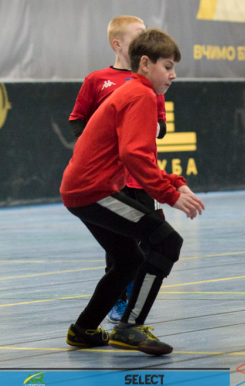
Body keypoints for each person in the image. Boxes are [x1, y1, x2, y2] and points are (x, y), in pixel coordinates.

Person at [60, 28, 205, 356]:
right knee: (167, 241)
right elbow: (134, 155)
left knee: (129, 260)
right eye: (168, 66)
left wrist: (174, 181)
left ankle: (83, 329)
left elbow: (138, 154)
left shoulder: (135, 92)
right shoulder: (141, 95)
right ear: (145, 63)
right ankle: (129, 328)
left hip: (83, 189)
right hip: (93, 190)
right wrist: (169, 194)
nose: (173, 74)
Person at [69, 15, 169, 323]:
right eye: (138, 35)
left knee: (151, 240)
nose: (145, 40)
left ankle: (135, 302)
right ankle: (118, 301)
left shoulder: (151, 83)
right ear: (118, 44)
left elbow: (160, 125)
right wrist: (94, 147)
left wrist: (144, 128)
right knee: (118, 244)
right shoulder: (97, 80)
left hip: (140, 179)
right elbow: (77, 119)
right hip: (110, 181)